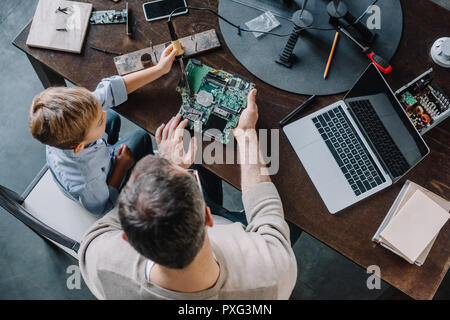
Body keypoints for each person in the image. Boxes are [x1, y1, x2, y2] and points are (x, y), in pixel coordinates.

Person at [79, 89, 298, 299]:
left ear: (126, 237)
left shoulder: (98, 261)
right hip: (240, 235)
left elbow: (105, 227)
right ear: (207, 215)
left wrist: (168, 163)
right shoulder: (273, 275)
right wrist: (246, 132)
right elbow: (267, 213)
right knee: (294, 219)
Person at [28, 45, 179, 216]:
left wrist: (160, 69)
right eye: (100, 121)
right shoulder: (87, 181)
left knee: (113, 118)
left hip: (98, 157)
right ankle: (146, 178)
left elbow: (109, 91)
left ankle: (110, 147)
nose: (104, 112)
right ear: (79, 146)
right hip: (104, 186)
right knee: (140, 138)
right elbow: (103, 207)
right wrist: (121, 167)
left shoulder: (69, 120)